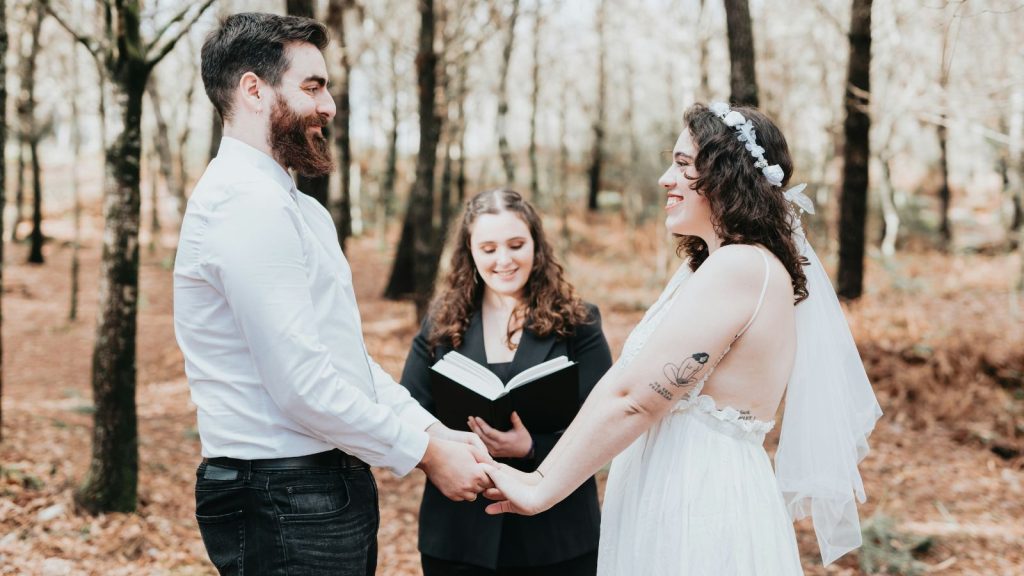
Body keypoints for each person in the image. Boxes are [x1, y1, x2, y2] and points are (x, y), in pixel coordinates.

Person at [483, 103, 882, 575]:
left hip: (700, 502)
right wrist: (541, 475)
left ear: (725, 177)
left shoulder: (741, 267)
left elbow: (639, 400)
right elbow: (620, 386)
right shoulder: (711, 268)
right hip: (675, 489)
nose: (665, 179)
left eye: (684, 164)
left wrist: (541, 492)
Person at [174, 13, 492, 576]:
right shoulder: (246, 204)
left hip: (315, 488)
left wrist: (432, 430)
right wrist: (426, 453)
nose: (329, 106)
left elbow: (344, 363)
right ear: (254, 89)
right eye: (312, 86)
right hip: (281, 494)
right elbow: (301, 385)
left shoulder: (298, 208)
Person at [400, 189, 613, 576]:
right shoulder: (442, 323)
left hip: (556, 534)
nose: (503, 260)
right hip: (459, 532)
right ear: (470, 252)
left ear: (536, 244)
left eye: (516, 245)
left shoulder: (579, 322)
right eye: (488, 248)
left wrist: (533, 446)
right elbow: (409, 409)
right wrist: (447, 451)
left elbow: (603, 422)